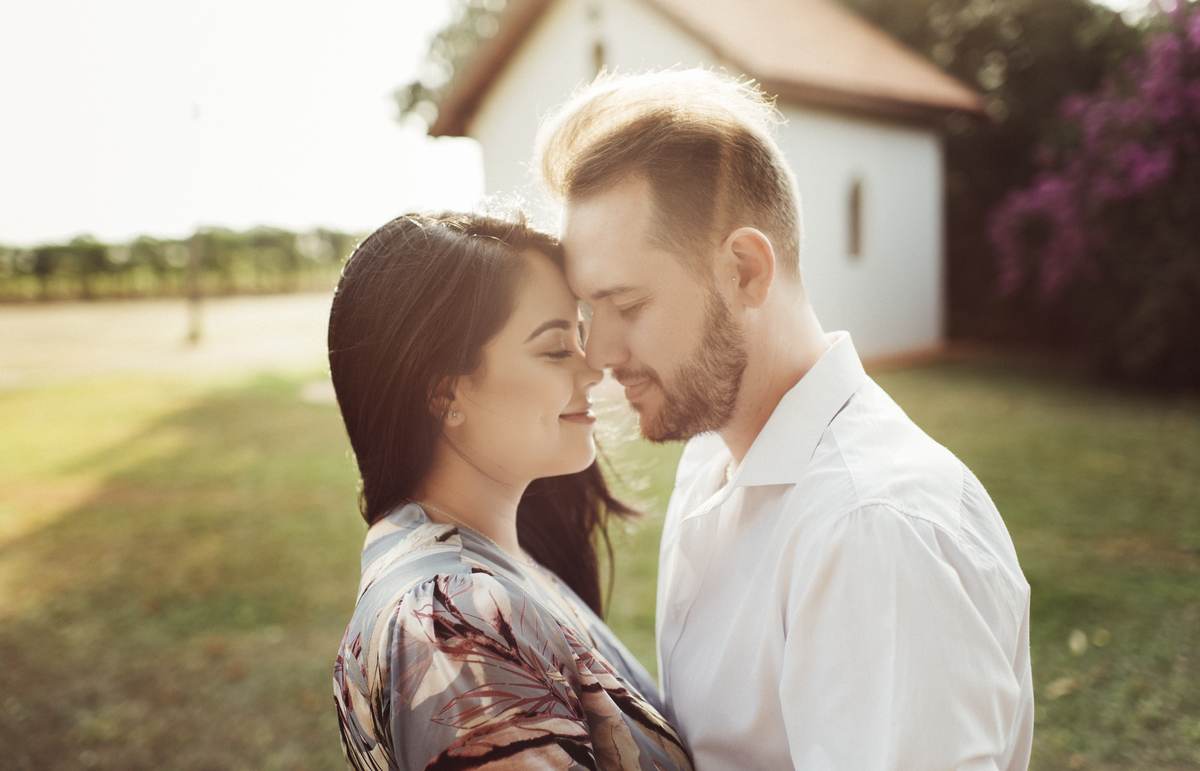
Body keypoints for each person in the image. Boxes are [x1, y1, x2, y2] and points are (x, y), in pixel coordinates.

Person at [536, 69, 1035, 770]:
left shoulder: (873, 531)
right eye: (590, 311)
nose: (599, 353)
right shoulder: (711, 459)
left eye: (628, 304)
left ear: (744, 270)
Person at [327, 211, 693, 771]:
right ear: (444, 392)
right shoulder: (451, 624)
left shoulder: (499, 565)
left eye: (580, 334)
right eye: (554, 348)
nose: (596, 366)